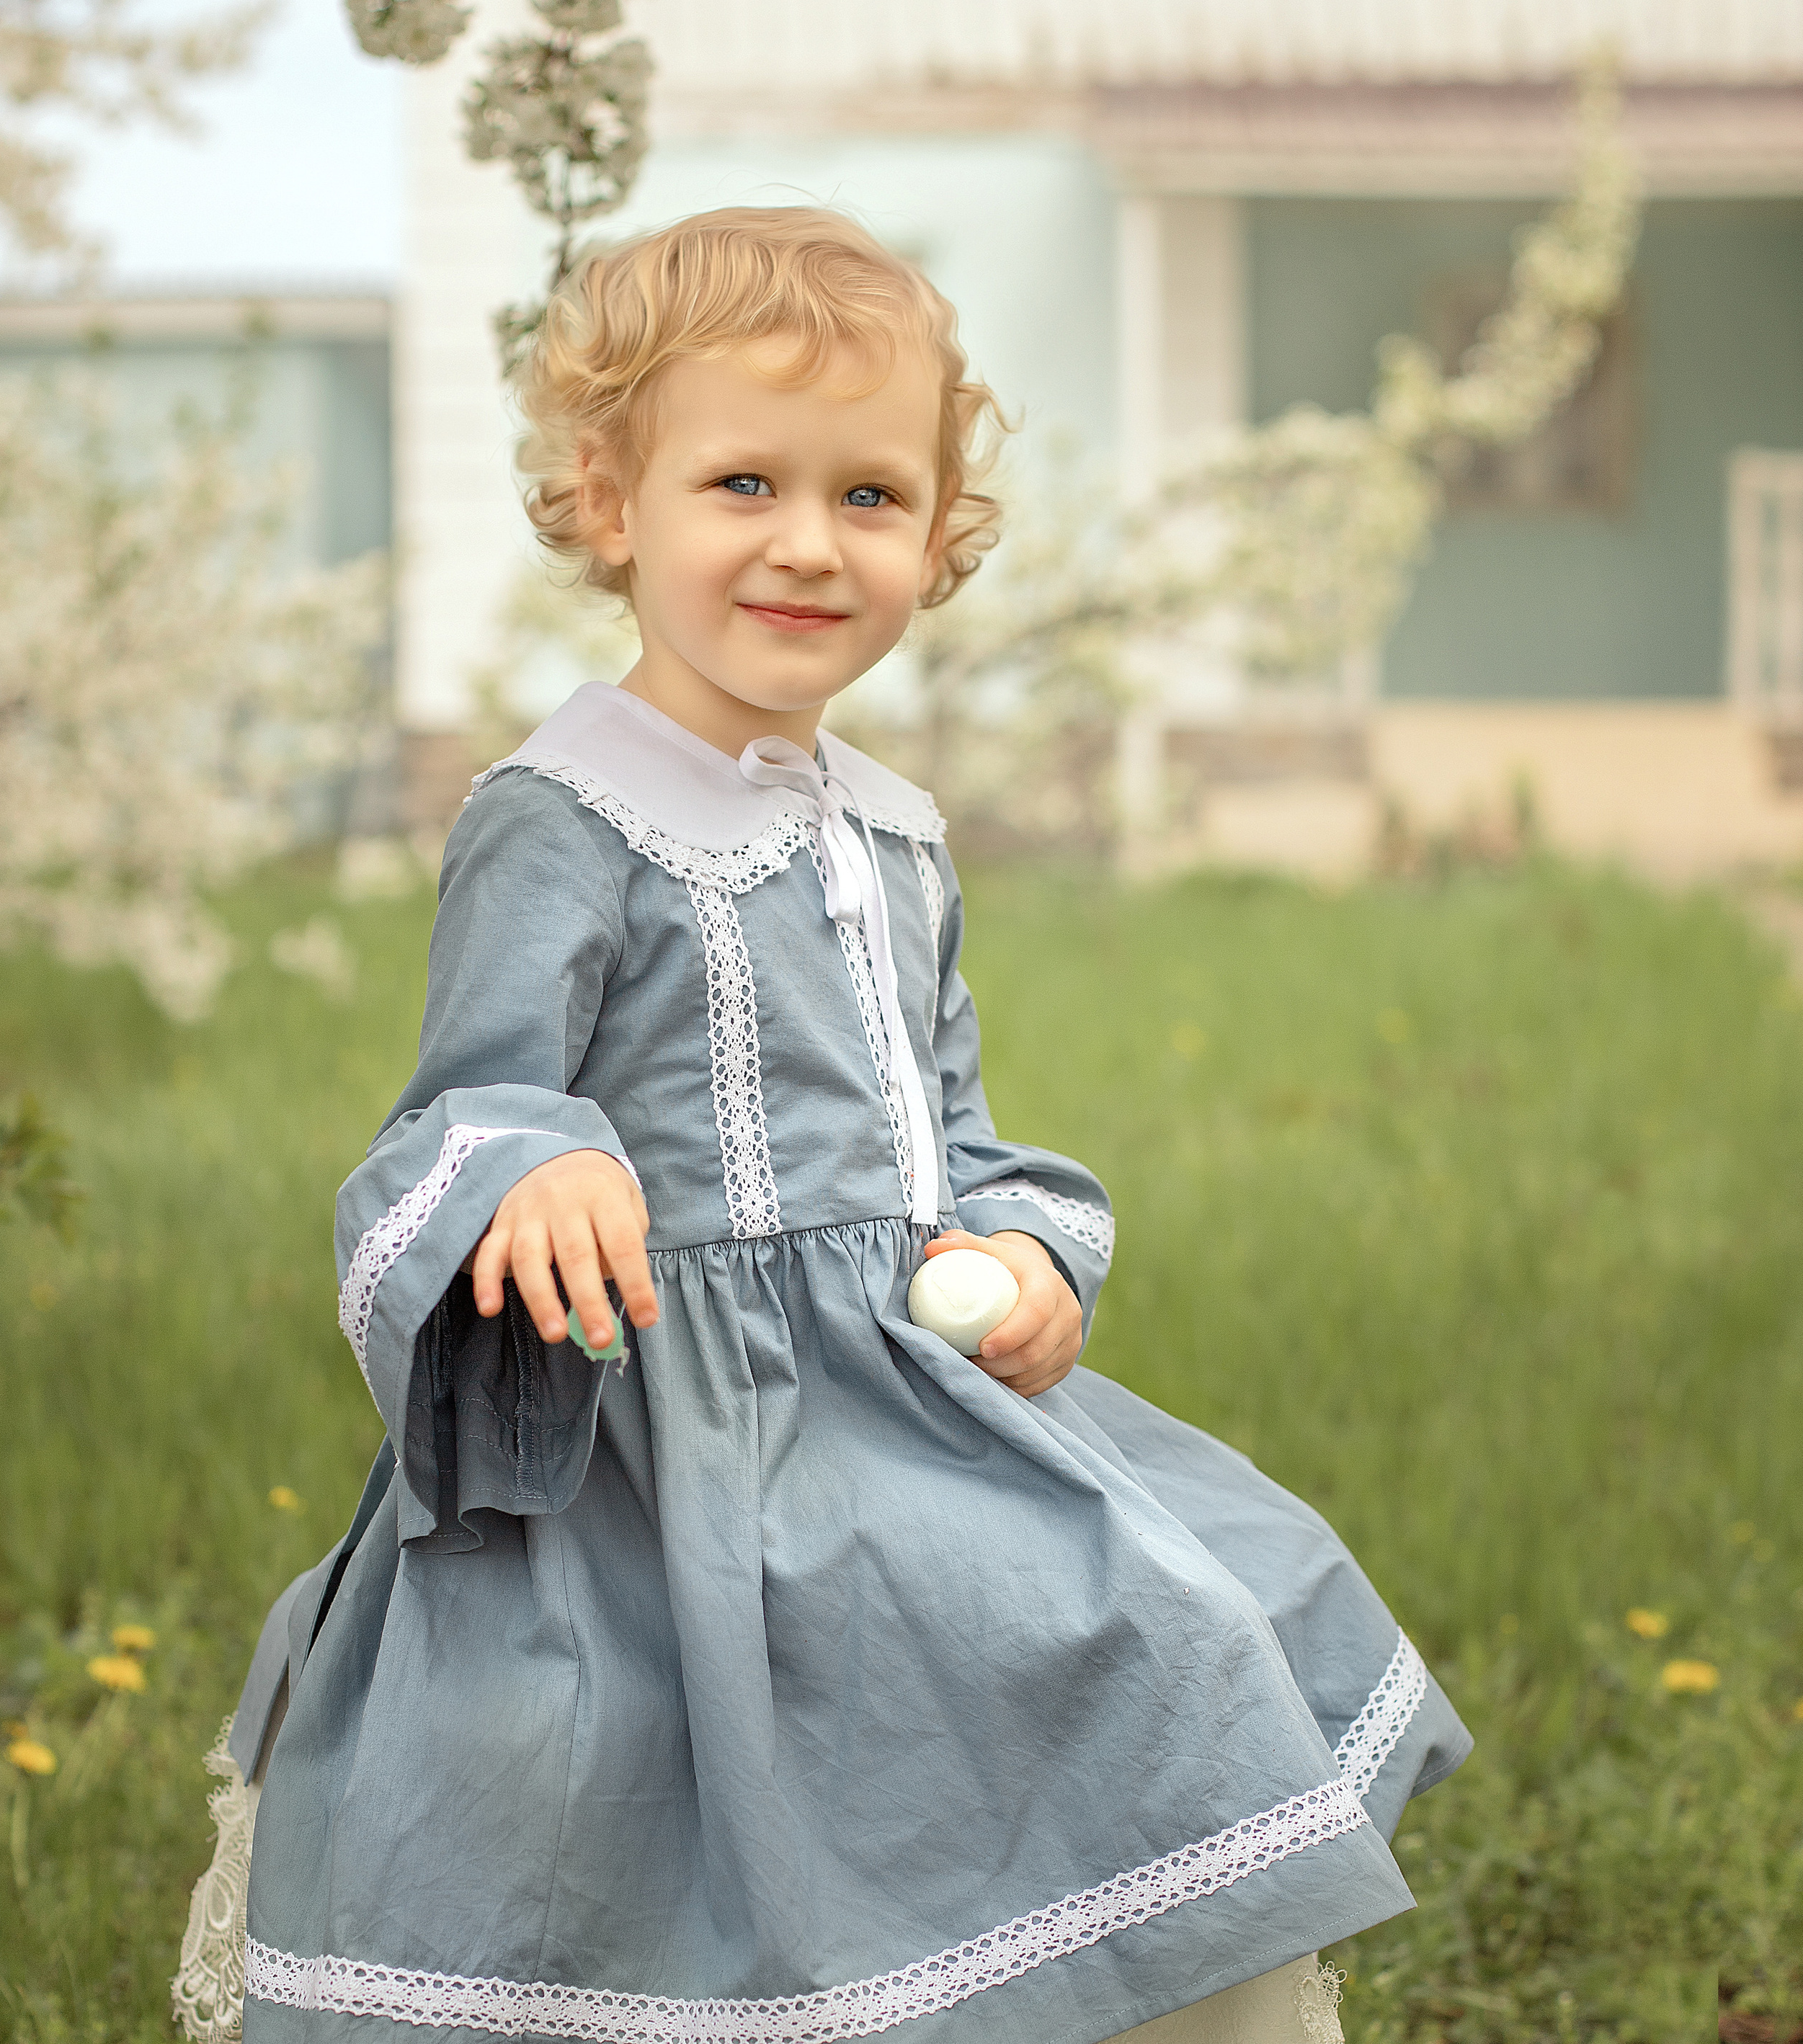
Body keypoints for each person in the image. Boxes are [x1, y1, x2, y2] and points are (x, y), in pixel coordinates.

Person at [187, 208, 1469, 2044]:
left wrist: (1020, 1253)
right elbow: (456, 1107)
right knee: (620, 1810)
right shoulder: (559, 815)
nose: (807, 541)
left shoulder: (893, 830)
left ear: (935, 540)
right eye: (741, 481)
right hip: (660, 1451)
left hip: (895, 1395)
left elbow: (950, 1131)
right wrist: (533, 1158)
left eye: (871, 495)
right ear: (610, 503)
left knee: (1161, 1626)